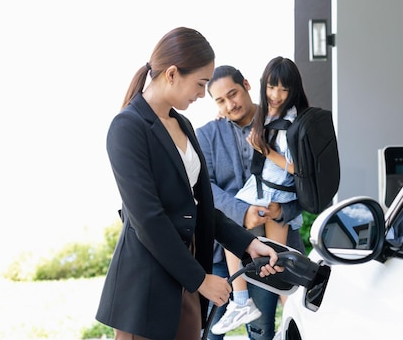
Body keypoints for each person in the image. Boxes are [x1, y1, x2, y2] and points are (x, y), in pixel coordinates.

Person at [95, 27, 280, 340]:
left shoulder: (182, 124)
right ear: (171, 74)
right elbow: (148, 218)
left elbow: (201, 207)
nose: (201, 93)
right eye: (200, 83)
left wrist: (246, 243)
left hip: (188, 267)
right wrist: (199, 280)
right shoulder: (127, 127)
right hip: (148, 279)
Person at [196, 65, 305, 340]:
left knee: (262, 332)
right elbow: (203, 187)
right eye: (220, 100)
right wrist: (242, 213)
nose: (230, 104)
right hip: (222, 251)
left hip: (272, 250)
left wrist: (282, 210)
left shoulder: (282, 125)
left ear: (246, 84)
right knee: (209, 332)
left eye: (233, 94)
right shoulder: (207, 135)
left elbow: (303, 182)